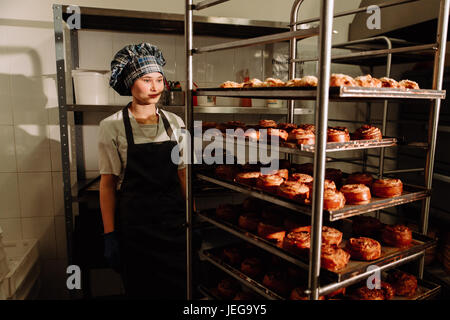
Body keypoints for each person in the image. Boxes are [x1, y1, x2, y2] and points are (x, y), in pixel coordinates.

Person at [98, 43, 188, 299]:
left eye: (159, 79)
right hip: (136, 231)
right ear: (130, 84)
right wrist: (110, 234)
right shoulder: (111, 126)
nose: (155, 87)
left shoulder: (175, 123)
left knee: (180, 291)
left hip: (174, 227)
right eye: (146, 80)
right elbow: (107, 184)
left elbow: (183, 174)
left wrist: (194, 219)